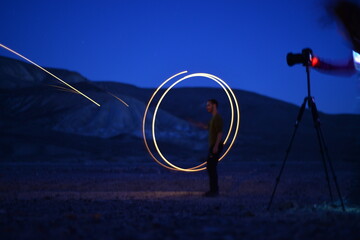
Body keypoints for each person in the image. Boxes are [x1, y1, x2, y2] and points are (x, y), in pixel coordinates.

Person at [204, 99, 223, 197]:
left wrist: (216, 146)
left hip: (216, 145)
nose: (207, 107)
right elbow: (206, 127)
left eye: (209, 105)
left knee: (211, 167)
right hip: (213, 145)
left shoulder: (217, 118)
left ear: (214, 105)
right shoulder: (213, 119)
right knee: (210, 168)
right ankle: (213, 190)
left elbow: (220, 133)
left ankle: (214, 191)